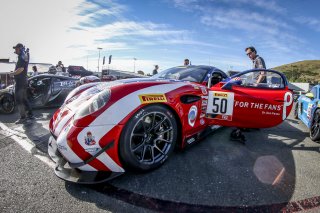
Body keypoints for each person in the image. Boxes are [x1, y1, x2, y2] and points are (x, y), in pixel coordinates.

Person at [11, 43, 34, 124]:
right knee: (24, 99)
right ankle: (30, 115)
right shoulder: (24, 56)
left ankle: (23, 117)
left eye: (16, 48)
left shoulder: (21, 57)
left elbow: (20, 69)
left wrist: (12, 73)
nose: (15, 50)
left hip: (20, 83)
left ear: (20, 49)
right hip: (23, 82)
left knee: (19, 100)